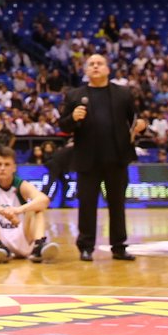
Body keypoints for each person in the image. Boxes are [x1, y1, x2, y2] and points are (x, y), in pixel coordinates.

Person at [60, 53, 144, 261]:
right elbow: (63, 125)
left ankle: (119, 246)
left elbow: (135, 120)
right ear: (86, 71)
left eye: (100, 64)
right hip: (87, 160)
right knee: (87, 205)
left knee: (117, 204)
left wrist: (141, 126)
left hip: (116, 158)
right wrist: (73, 118)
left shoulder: (123, 94)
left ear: (108, 69)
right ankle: (86, 247)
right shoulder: (74, 96)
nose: (95, 67)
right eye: (91, 64)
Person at [0, 146, 58, 263]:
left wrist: (18, 210)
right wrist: (3, 211)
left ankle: (39, 245)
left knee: (37, 208)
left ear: (14, 167)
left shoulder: (20, 184)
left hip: (21, 237)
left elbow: (44, 200)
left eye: (7, 165)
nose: (2, 168)